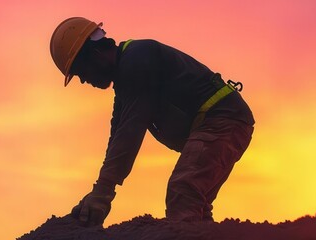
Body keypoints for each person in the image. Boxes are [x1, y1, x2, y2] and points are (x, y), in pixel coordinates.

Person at [49, 17, 255, 227]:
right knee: (196, 207)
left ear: (94, 54)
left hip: (222, 119)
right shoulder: (125, 81)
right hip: (223, 121)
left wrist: (103, 192)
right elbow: (118, 135)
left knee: (183, 192)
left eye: (81, 72)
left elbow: (130, 132)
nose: (84, 80)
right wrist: (99, 191)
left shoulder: (137, 60)